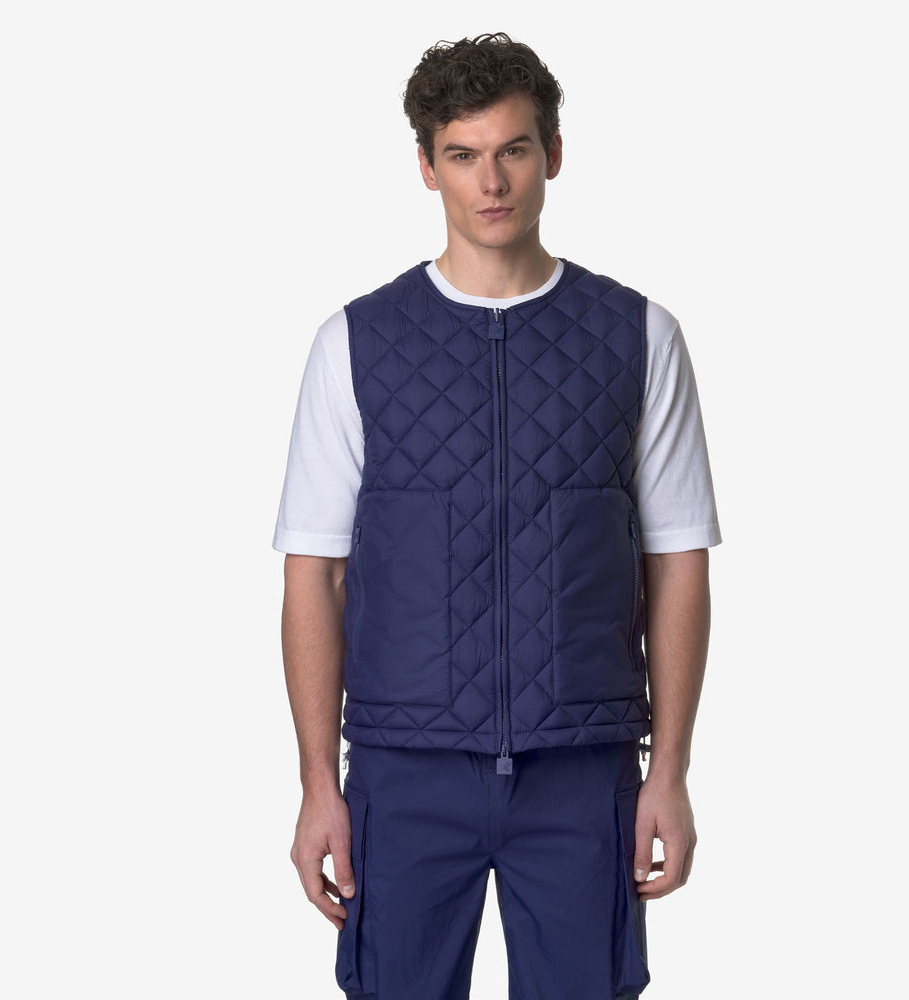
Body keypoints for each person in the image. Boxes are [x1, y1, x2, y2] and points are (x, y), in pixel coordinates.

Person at [272, 31, 722, 1000]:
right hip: (404, 773)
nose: (491, 180)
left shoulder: (640, 337)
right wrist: (316, 784)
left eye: (514, 149)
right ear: (426, 165)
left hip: (583, 771)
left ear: (552, 154)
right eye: (464, 154)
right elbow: (316, 572)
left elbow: (677, 562)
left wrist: (671, 772)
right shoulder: (354, 344)